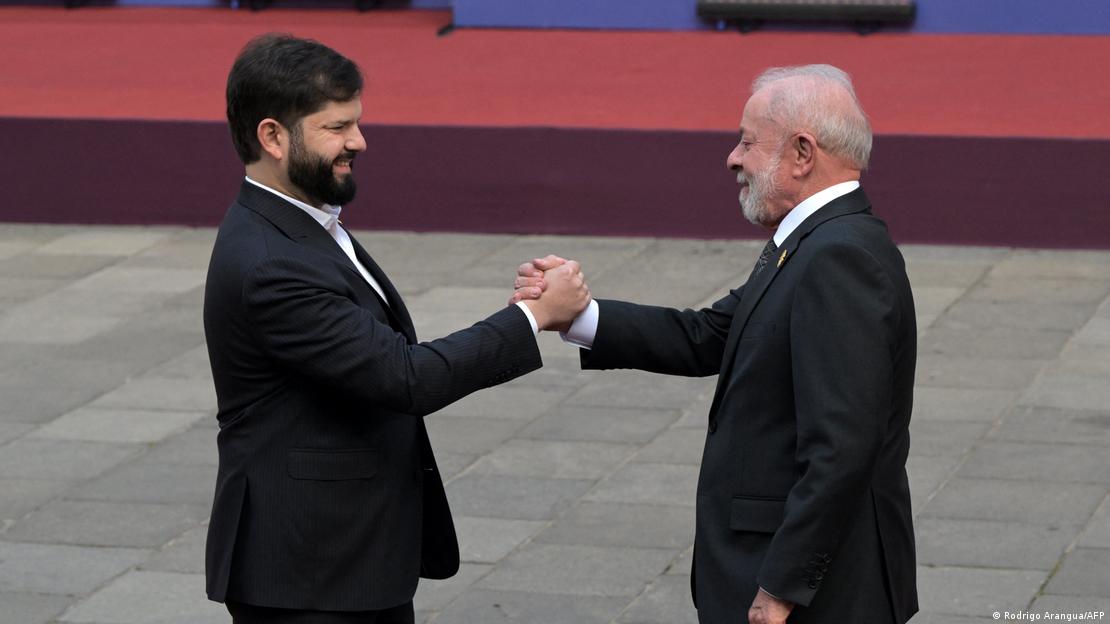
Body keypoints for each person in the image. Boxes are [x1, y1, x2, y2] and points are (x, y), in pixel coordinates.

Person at [203, 34, 589, 623]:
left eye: (356, 122)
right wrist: (534, 317)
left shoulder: (301, 223)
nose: (359, 141)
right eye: (336, 127)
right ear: (273, 136)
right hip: (307, 574)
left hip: (341, 557)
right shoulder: (271, 262)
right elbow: (406, 377)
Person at [515, 65, 918, 624]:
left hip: (819, 593)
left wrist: (780, 589)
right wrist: (579, 316)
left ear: (803, 152)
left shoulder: (837, 257)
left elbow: (842, 449)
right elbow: (712, 334)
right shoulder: (816, 241)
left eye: (749, 142)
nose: (733, 158)